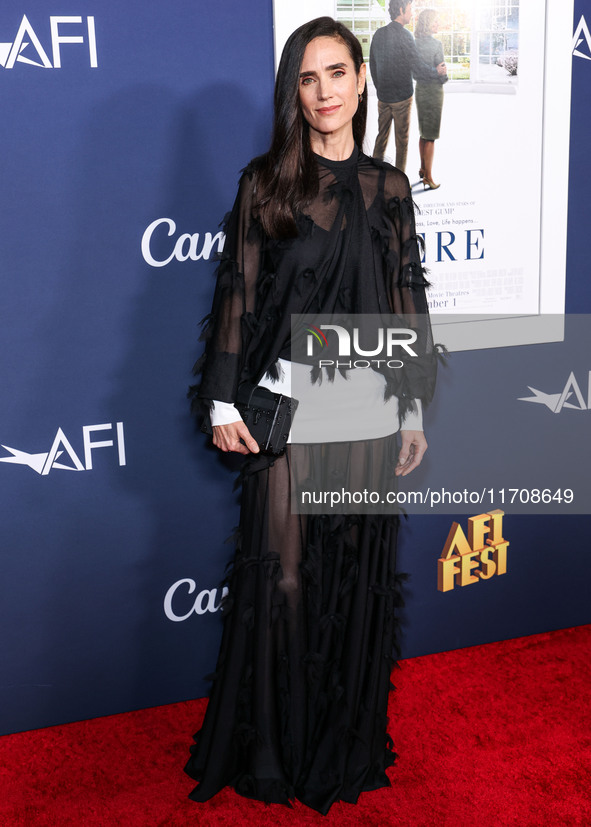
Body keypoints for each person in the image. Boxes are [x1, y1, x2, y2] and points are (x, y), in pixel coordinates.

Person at [185, 16, 436, 816]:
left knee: (355, 578)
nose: (324, 91)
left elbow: (406, 300)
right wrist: (223, 398)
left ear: (363, 79)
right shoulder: (265, 184)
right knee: (286, 577)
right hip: (288, 406)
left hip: (364, 410)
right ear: (294, 92)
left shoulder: (388, 189)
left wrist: (411, 410)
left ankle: (343, 741)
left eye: (336, 72)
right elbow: (238, 293)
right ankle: (274, 748)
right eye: (307, 77)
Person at [370, 0, 446, 172]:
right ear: (402, 10)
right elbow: (418, 66)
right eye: (410, 9)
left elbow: (373, 66)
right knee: (401, 142)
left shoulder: (379, 34)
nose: (412, 13)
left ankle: (372, 176)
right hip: (402, 99)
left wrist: (380, 88)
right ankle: (399, 182)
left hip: (383, 98)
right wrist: (437, 72)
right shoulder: (405, 36)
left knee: (381, 137)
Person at [414, 9, 448, 189]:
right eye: (435, 21)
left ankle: (422, 168)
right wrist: (443, 75)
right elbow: (441, 69)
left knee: (423, 133)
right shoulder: (436, 45)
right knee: (431, 136)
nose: (437, 24)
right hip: (434, 92)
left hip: (420, 90)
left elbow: (415, 71)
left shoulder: (414, 43)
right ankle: (428, 177)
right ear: (428, 23)